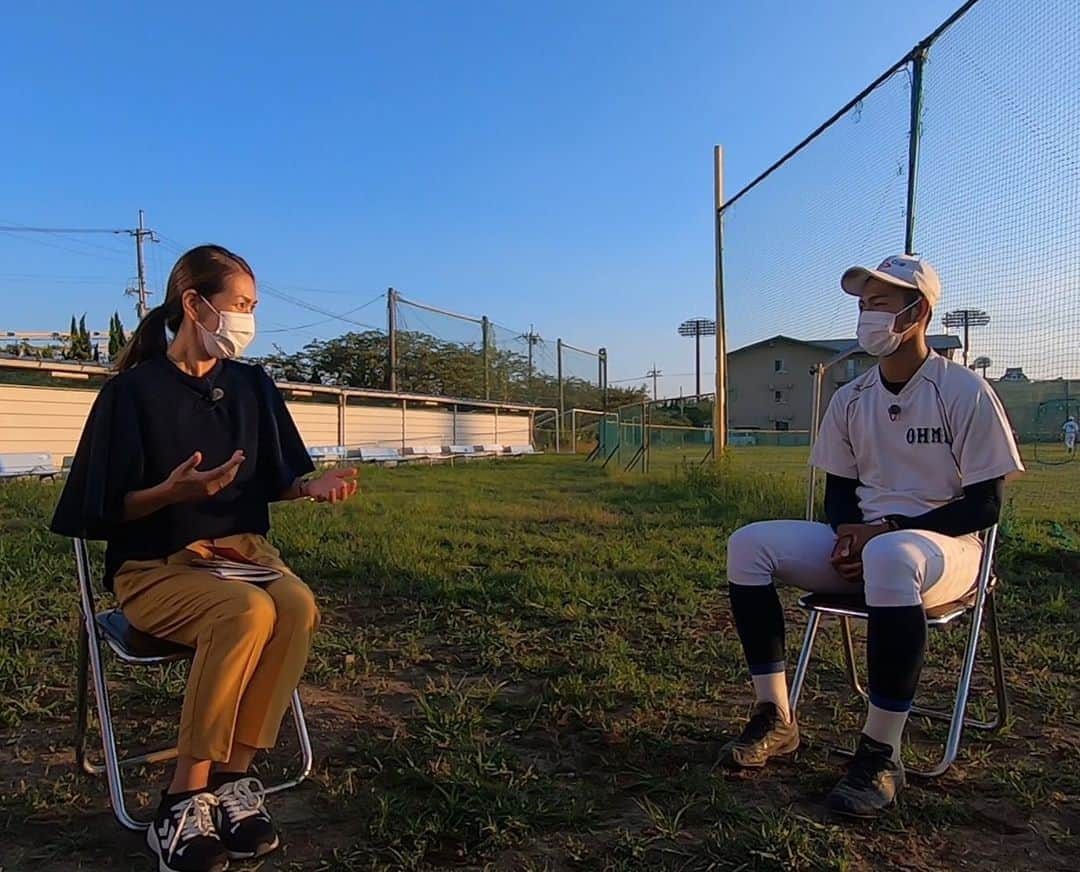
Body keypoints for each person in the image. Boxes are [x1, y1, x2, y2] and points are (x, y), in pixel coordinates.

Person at [51, 245, 359, 872]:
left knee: (295, 606)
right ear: (195, 305)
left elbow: (279, 476)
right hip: (155, 568)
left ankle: (233, 784)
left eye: (253, 307)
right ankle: (182, 800)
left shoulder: (251, 385)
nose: (248, 319)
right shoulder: (130, 396)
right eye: (240, 305)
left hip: (242, 555)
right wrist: (169, 493)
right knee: (245, 613)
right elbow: (95, 510)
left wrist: (309, 486)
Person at [720, 254, 1023, 817]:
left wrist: (884, 532)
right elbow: (839, 494)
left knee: (890, 554)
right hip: (874, 547)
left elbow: (985, 505)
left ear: (919, 312)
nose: (868, 315)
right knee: (748, 543)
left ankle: (882, 752)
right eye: (863, 304)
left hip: (948, 550)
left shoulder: (964, 391)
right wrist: (847, 535)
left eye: (881, 303)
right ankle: (776, 717)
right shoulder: (851, 397)